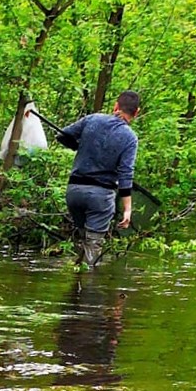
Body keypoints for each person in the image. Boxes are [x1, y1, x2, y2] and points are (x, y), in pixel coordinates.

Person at [50, 90, 141, 268]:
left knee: (84, 239)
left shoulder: (92, 119)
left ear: (116, 106)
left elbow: (62, 136)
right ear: (136, 112)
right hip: (100, 196)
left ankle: (76, 281)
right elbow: (125, 174)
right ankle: (87, 286)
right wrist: (127, 209)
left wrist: (78, 146)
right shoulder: (130, 138)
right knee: (92, 248)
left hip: (74, 191)